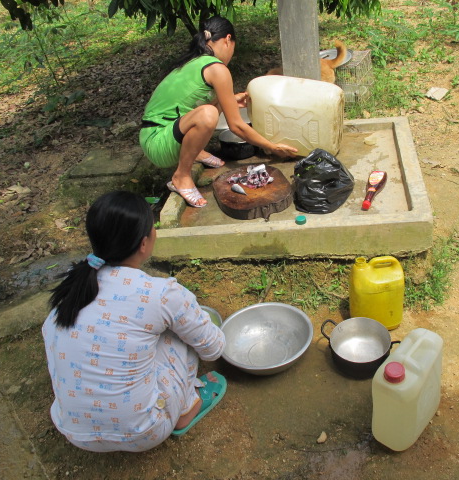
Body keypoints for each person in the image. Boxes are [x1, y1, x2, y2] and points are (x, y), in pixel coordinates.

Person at [42, 191, 226, 452]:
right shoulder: (161, 294)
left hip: (73, 431)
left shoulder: (72, 286)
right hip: (144, 432)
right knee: (180, 332)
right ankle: (185, 408)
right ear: (143, 243)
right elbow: (213, 348)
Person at [139, 16, 298, 208]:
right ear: (227, 39)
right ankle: (181, 176)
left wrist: (230, 100)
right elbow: (236, 126)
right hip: (158, 143)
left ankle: (195, 152)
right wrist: (272, 147)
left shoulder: (197, 61)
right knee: (207, 114)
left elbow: (192, 104)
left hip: (156, 134)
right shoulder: (217, 69)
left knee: (210, 110)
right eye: (233, 46)